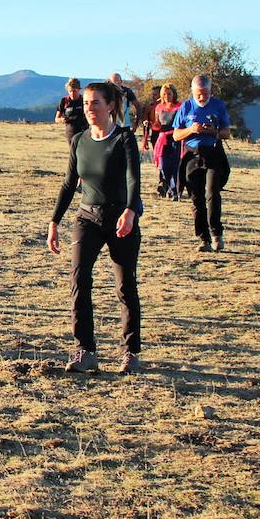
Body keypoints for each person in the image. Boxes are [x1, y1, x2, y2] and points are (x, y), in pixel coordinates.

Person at [47, 82, 144, 374]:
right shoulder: (79, 140)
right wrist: (54, 221)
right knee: (79, 279)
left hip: (120, 219)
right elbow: (68, 183)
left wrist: (129, 211)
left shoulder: (124, 139)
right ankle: (84, 351)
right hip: (87, 217)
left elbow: (133, 180)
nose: (89, 108)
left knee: (125, 286)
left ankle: (131, 352)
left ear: (111, 106)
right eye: (87, 103)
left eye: (96, 103)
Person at [173, 75, 231, 252]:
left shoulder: (218, 106)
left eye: (205, 93)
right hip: (192, 155)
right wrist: (191, 129)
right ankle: (203, 238)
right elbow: (176, 135)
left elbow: (227, 132)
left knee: (212, 193)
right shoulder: (186, 107)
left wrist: (212, 131)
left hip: (213, 153)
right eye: (199, 94)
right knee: (196, 198)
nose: (202, 97)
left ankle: (216, 234)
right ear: (192, 91)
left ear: (210, 91)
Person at [150, 84, 183, 199]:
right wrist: (150, 125)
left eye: (169, 94)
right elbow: (157, 125)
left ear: (174, 94)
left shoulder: (180, 107)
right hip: (162, 139)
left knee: (174, 166)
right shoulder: (158, 107)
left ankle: (174, 191)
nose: (167, 96)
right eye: (164, 94)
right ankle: (170, 187)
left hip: (175, 138)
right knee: (163, 167)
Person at [55, 78, 88, 147]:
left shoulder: (84, 100)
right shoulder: (64, 101)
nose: (72, 93)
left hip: (85, 130)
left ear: (79, 90)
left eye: (74, 91)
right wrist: (62, 119)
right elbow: (56, 119)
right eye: (70, 91)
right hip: (71, 132)